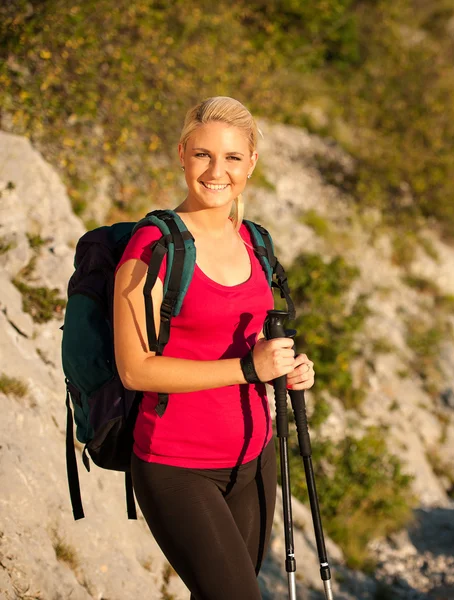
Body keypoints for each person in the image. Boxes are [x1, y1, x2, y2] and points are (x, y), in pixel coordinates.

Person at [113, 96, 315, 600]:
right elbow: (136, 370)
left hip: (254, 458)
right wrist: (249, 368)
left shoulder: (255, 242)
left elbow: (254, 344)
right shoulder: (153, 249)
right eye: (202, 155)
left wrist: (288, 368)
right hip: (176, 465)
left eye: (230, 158)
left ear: (251, 164)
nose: (215, 171)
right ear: (181, 154)